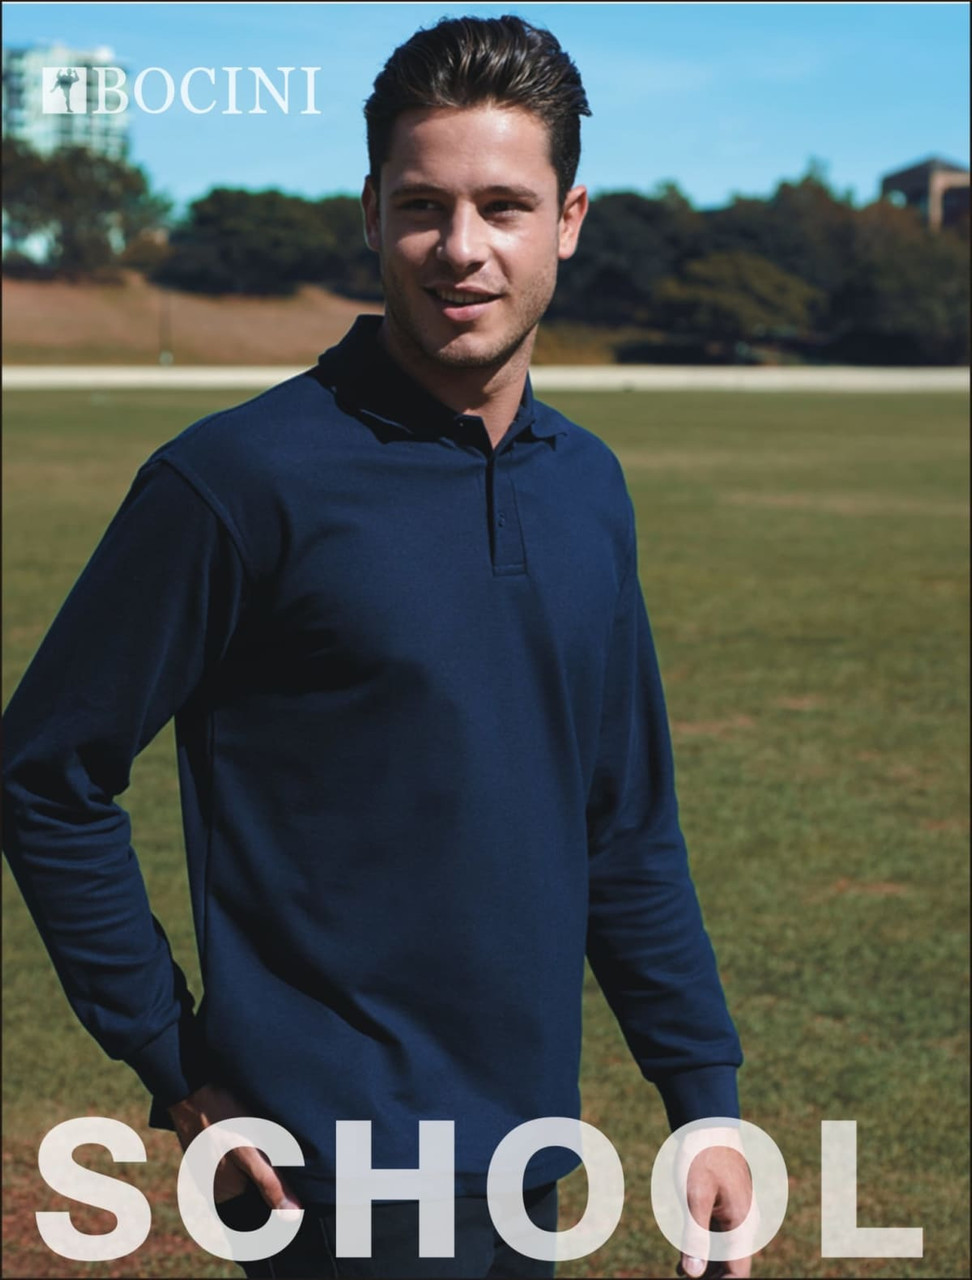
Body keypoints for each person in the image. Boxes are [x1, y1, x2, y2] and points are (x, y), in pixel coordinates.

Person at [3, 15, 751, 1279]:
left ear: (569, 219)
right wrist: (175, 1061)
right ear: (370, 215)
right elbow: (47, 768)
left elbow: (622, 821)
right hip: (319, 1171)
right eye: (423, 206)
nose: (461, 249)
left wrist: (704, 1097)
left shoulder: (589, 488)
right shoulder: (235, 481)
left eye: (504, 206)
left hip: (527, 1159)